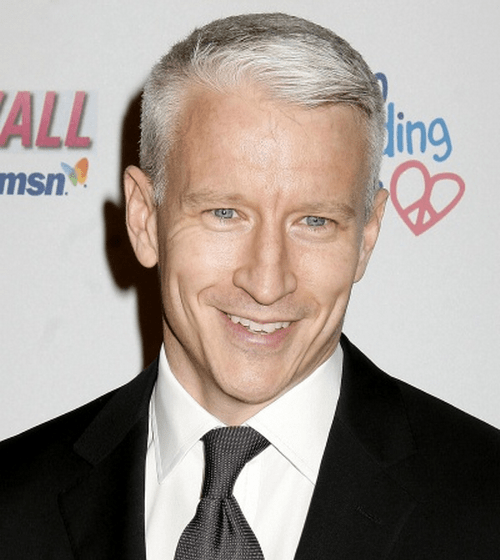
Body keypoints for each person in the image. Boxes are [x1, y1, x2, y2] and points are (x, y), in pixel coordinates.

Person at [1, 12, 499, 560]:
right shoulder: (13, 503)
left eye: (315, 222)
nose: (267, 283)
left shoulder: (484, 502)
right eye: (224, 212)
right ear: (144, 220)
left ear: (368, 235)